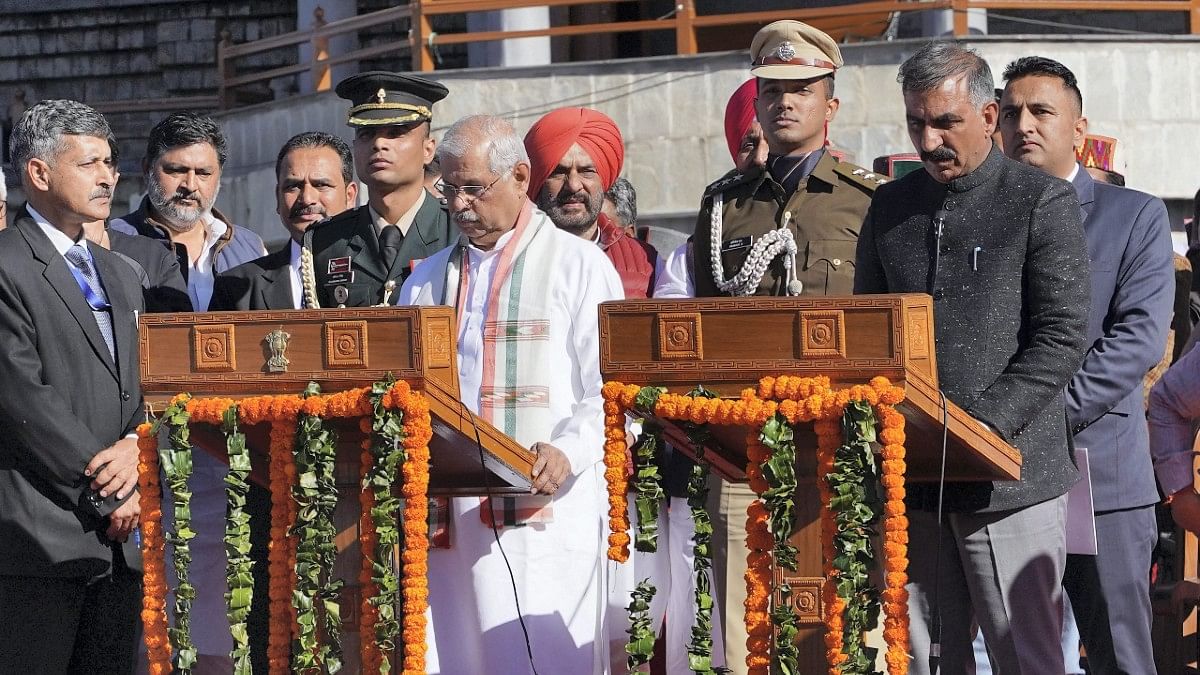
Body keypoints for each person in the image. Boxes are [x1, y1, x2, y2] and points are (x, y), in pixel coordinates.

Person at [854, 42, 1091, 675]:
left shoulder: (1039, 200)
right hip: (914, 479)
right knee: (927, 658)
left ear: (988, 117)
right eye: (915, 123)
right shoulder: (889, 208)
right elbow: (869, 331)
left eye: (944, 122)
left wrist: (979, 426)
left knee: (1024, 659)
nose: (928, 140)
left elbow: (1062, 335)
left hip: (1009, 480)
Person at [399, 114, 623, 674]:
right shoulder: (424, 279)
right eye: (448, 188)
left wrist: (568, 450)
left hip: (545, 512)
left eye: (473, 188)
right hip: (449, 520)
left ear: (521, 177)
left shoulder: (580, 267)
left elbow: (614, 390)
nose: (457, 204)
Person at [999, 55, 1174, 675]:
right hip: (1003, 477)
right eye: (1012, 112)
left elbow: (1137, 340)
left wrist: (1036, 417)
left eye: (1042, 111)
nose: (1025, 124)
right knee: (1019, 654)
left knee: (1119, 653)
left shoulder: (1134, 217)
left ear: (1078, 128)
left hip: (1097, 472)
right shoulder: (981, 221)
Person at [0, 98, 144, 673]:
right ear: (38, 173)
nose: (107, 176)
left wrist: (139, 451)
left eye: (110, 162)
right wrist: (113, 492)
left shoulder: (121, 273)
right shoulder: (7, 264)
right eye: (89, 163)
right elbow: (21, 397)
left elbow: (142, 387)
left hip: (121, 542)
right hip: (38, 537)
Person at [305, 71, 454, 307]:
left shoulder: (457, 231)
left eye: (396, 133)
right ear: (355, 147)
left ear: (428, 150)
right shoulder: (326, 241)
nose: (379, 144)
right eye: (367, 133)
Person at [109, 112, 265, 312]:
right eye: (176, 170)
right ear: (147, 168)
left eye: (203, 173)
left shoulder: (251, 248)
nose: (190, 185)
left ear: (219, 176)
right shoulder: (110, 242)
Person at [212, 131, 358, 311]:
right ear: (277, 197)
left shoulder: (380, 272)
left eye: (321, 185)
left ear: (350, 195)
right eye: (293, 186)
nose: (306, 198)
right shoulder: (237, 287)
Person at [525, 106, 658, 299]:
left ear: (604, 180)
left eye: (586, 171)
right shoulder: (510, 257)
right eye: (558, 172)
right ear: (539, 181)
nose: (573, 185)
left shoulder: (646, 263)